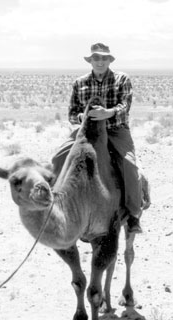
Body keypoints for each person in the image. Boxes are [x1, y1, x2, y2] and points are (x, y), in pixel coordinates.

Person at [52, 42, 143, 233]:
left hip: (115, 129)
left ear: (109, 60)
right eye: (96, 58)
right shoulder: (80, 83)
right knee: (58, 158)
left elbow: (125, 106)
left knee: (129, 164)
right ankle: (56, 206)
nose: (100, 61)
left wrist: (108, 113)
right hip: (87, 131)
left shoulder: (121, 79)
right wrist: (82, 117)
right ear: (90, 60)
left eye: (104, 58)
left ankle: (133, 214)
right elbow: (72, 113)